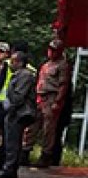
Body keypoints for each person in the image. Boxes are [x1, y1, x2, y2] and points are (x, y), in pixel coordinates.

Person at [0, 50, 37, 178]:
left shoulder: (25, 75)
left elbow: (18, 96)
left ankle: (10, 169)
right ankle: (9, 167)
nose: (10, 64)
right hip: (13, 112)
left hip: (18, 113)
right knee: (10, 141)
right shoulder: (17, 75)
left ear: (20, 62)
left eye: (13, 61)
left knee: (13, 142)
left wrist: (10, 104)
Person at [34, 39, 71, 168]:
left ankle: (46, 154)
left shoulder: (62, 65)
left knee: (48, 128)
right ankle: (26, 150)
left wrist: (57, 101)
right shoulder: (46, 65)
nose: (51, 52)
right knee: (33, 125)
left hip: (51, 97)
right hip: (41, 97)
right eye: (50, 49)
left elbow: (63, 85)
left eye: (55, 50)